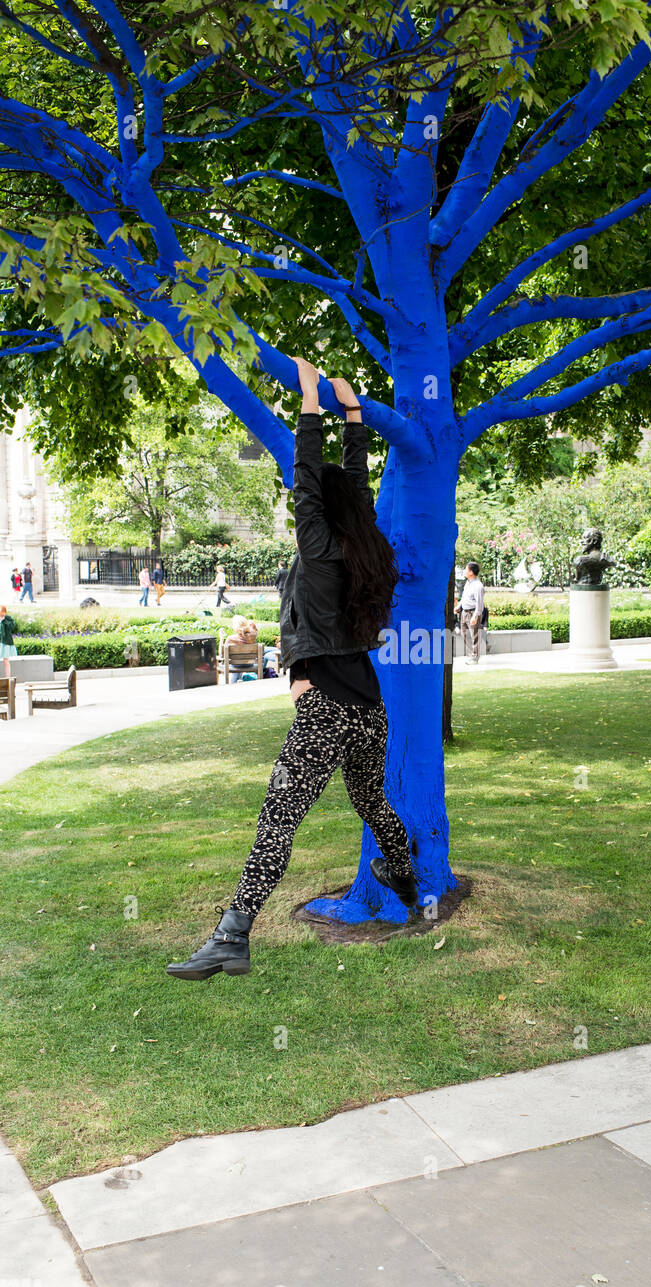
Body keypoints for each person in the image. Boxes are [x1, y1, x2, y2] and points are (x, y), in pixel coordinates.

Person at [167, 360, 418, 981]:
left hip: (329, 708)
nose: (299, 507)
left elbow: (310, 483)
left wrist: (312, 405)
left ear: (314, 513)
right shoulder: (363, 548)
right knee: (371, 801)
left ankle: (232, 936)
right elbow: (350, 491)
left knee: (278, 821)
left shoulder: (321, 549)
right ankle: (407, 882)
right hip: (367, 706)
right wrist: (354, 418)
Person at [455, 561, 486, 663]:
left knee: (474, 636)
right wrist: (458, 606)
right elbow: (464, 598)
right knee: (464, 634)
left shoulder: (478, 586)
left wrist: (475, 616)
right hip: (464, 612)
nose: (464, 571)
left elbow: (479, 603)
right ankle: (471, 655)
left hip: (472, 613)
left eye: (466, 569)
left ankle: (475, 657)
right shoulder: (468, 583)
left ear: (471, 572)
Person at [221, 614, 261, 683]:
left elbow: (221, 654)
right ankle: (238, 680)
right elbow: (255, 631)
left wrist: (221, 638)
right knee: (239, 665)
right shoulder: (252, 638)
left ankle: (232, 683)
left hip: (235, 664)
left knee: (236, 665)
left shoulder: (230, 639)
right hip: (249, 663)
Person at [0, 605, 17, 677]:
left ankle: (8, 678)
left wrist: (4, 620)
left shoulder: (8, 619)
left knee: (6, 660)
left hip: (5, 642)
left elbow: (12, 627)